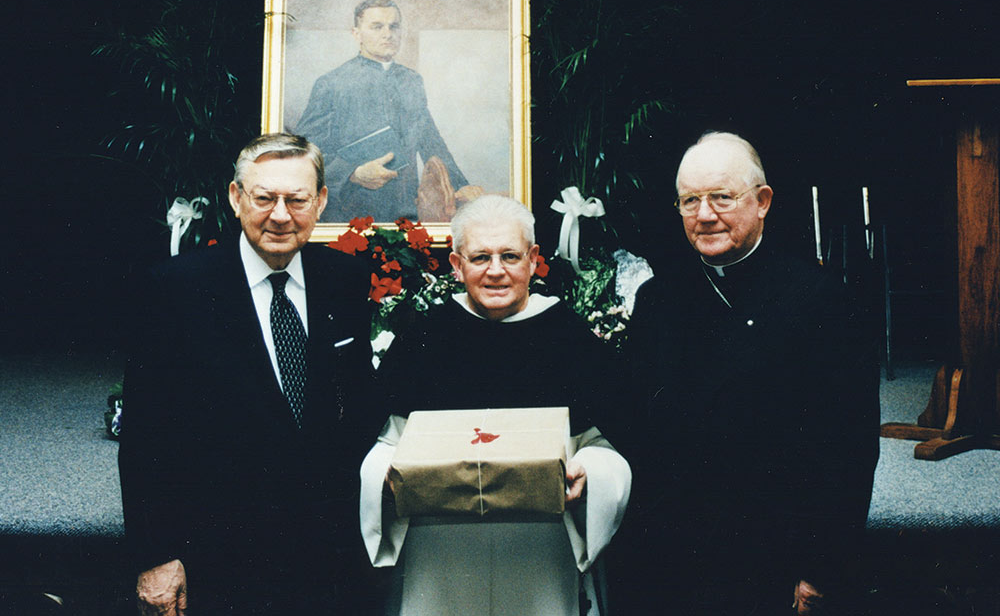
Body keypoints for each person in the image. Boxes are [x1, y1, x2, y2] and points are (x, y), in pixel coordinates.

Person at [118, 133, 383, 615]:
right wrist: (155, 555)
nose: (280, 215)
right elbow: (145, 437)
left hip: (330, 554)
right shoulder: (175, 290)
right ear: (236, 197)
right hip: (222, 556)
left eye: (296, 200)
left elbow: (358, 403)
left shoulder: (343, 279)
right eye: (264, 198)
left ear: (321, 201)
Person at [617, 131, 880, 615]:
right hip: (673, 554)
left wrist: (822, 566)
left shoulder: (821, 301)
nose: (704, 215)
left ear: (762, 202)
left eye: (722, 197)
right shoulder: (657, 301)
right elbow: (636, 428)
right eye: (690, 200)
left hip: (773, 554)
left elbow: (849, 448)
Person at [359, 195, 632, 616]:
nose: (496, 270)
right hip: (441, 558)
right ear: (456, 264)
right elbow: (384, 444)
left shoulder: (570, 338)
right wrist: (384, 475)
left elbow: (609, 445)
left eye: (510, 256)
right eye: (480, 257)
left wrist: (590, 472)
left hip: (539, 556)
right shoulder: (424, 337)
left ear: (533, 259)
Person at [296, 0, 481, 223]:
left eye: (394, 26)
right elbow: (304, 151)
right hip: (348, 212)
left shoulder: (411, 80)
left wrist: (461, 186)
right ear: (356, 34)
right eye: (377, 27)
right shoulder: (331, 83)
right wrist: (353, 173)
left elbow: (430, 141)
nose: (387, 34)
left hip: (407, 210)